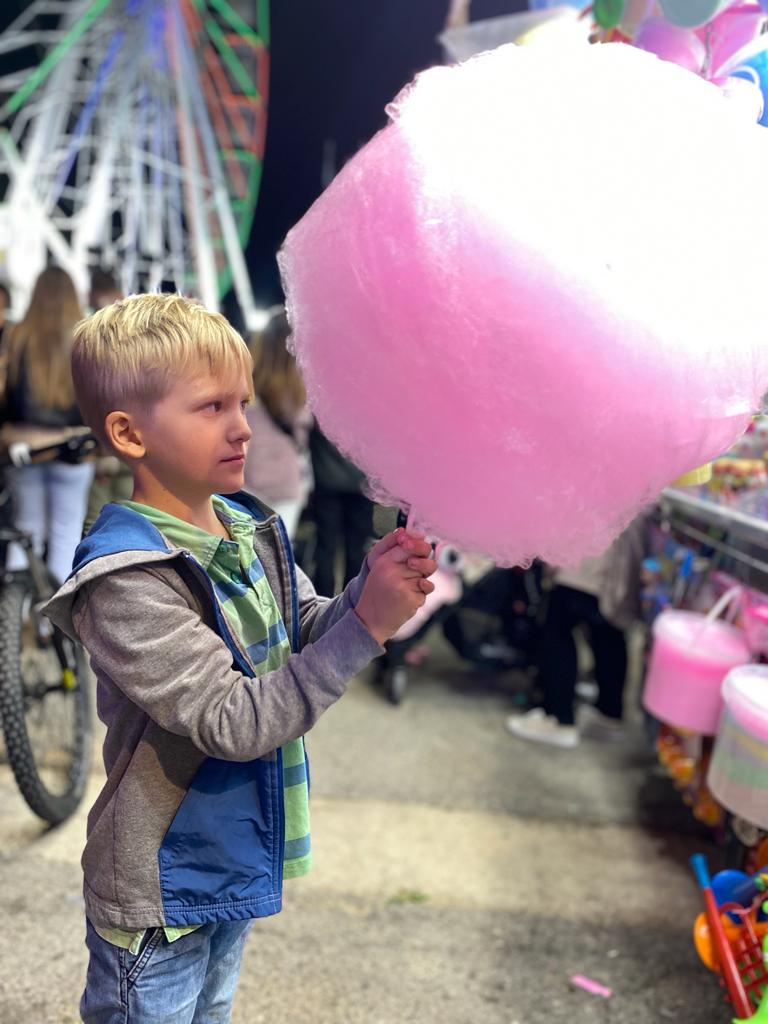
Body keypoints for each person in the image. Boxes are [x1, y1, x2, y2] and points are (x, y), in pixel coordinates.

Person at [43, 293, 437, 1024]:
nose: (242, 428)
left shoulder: (247, 525)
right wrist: (367, 632)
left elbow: (302, 631)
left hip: (231, 862)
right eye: (211, 407)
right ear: (129, 434)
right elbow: (235, 719)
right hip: (162, 893)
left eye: (244, 403)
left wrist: (365, 592)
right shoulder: (127, 580)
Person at [507, 518, 646, 748]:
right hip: (621, 539)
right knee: (607, 630)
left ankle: (559, 718)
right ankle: (608, 715)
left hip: (598, 542)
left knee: (557, 625)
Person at [3, 266, 94, 584]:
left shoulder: (18, 335)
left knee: (26, 530)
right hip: (72, 446)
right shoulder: (84, 337)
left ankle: (14, 616)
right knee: (65, 533)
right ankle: (51, 624)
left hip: (24, 445)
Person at [243, 307, 312, 539]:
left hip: (248, 478)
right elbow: (303, 427)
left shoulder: (244, 383)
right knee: (280, 553)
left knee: (248, 554)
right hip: (285, 482)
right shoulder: (299, 390)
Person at [83, 268, 132, 530]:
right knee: (132, 521)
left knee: (97, 524)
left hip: (105, 448)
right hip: (133, 449)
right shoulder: (140, 337)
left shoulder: (95, 340)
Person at [309, 425, 374, 596]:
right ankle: (351, 602)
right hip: (360, 484)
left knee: (326, 546)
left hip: (326, 481)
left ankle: (321, 599)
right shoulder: (368, 409)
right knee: (356, 549)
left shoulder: (319, 404)